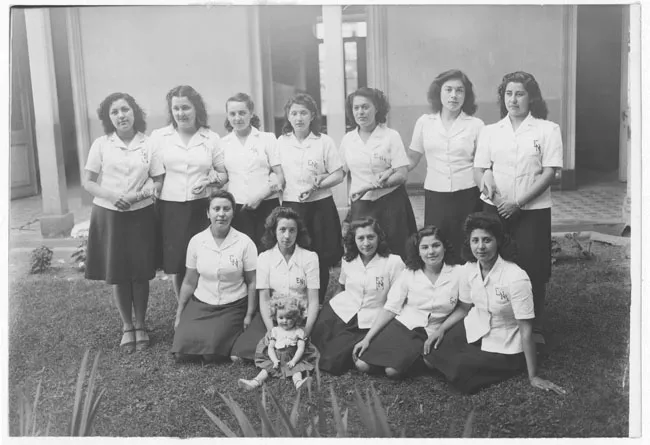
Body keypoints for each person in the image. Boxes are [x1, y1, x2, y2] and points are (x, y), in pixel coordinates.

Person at [423, 212, 566, 395]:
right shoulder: (469, 269)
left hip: (505, 339)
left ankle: (504, 364)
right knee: (429, 356)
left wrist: (533, 376)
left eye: (487, 240)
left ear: (498, 241)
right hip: (475, 327)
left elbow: (525, 329)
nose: (480, 247)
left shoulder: (516, 277)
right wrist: (441, 330)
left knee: (461, 373)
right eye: (475, 240)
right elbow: (464, 308)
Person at [473, 71, 563, 345]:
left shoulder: (547, 129)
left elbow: (550, 172)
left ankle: (534, 326)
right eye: (508, 94)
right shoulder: (490, 131)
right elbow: (479, 169)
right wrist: (495, 196)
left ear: (531, 97)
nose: (513, 99)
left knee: (532, 265)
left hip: (532, 210)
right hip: (495, 209)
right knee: (494, 261)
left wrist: (519, 203)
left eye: (520, 94)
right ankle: (498, 320)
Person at [84, 92, 164, 353]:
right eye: (115, 112)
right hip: (110, 214)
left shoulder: (149, 144)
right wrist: (112, 196)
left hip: (141, 213)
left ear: (134, 112)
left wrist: (136, 196)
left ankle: (141, 324)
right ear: (109, 118)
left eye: (125, 109)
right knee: (118, 272)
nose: (121, 116)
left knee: (140, 272)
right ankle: (127, 326)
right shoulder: (101, 144)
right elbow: (88, 182)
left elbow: (158, 180)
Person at [149, 85, 226, 301]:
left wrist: (210, 181)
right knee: (178, 262)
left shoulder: (210, 138)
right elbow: (150, 171)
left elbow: (223, 174)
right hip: (170, 207)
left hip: (200, 207)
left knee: (202, 260)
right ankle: (183, 307)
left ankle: (203, 303)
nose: (181, 113)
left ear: (196, 109)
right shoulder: (159, 137)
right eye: (176, 108)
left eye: (186, 107)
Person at [352, 226, 460, 379]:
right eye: (424, 247)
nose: (431, 252)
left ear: (445, 247)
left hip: (431, 330)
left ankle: (425, 360)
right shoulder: (409, 273)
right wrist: (367, 339)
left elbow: (464, 307)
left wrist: (442, 329)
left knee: (392, 372)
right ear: (418, 251)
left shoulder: (459, 273)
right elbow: (390, 308)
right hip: (403, 326)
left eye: (436, 245)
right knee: (362, 365)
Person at [171, 190, 257, 363]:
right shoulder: (196, 241)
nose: (221, 214)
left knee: (212, 355)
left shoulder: (245, 242)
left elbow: (252, 282)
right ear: (208, 213)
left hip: (232, 304)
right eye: (216, 209)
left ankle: (224, 339)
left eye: (226, 209)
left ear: (233, 213)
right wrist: (179, 313)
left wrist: (249, 315)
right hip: (202, 302)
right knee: (182, 352)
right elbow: (189, 282)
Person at [407, 69, 485, 262]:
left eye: (459, 90)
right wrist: (391, 172)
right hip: (436, 194)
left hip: (467, 193)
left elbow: (482, 164)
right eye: (448, 89)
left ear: (466, 95)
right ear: (438, 93)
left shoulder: (476, 125)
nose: (453, 95)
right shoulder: (425, 122)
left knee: (466, 245)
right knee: (437, 244)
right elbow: (412, 158)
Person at [311, 218, 404, 375]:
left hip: (371, 318)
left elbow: (397, 302)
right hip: (344, 311)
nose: (366, 243)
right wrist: (331, 309)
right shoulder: (348, 260)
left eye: (370, 237)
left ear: (379, 238)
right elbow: (341, 287)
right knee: (315, 344)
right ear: (353, 240)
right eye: (361, 238)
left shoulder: (393, 262)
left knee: (332, 359)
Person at [277, 93, 345, 303]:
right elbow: (275, 172)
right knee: (294, 253)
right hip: (291, 207)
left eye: (303, 113)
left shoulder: (324, 141)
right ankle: (296, 299)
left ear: (312, 115)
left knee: (319, 256)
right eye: (294, 113)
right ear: (288, 116)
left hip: (320, 206)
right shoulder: (281, 142)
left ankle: (318, 301)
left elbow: (338, 174)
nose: (299, 118)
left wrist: (318, 186)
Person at [231, 206, 320, 361]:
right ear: (274, 231)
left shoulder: (310, 257)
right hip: (274, 317)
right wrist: (272, 331)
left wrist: (306, 331)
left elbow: (313, 301)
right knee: (237, 356)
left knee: (304, 350)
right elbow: (264, 299)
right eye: (282, 230)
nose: (287, 236)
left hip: (301, 317)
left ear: (298, 232)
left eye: (292, 230)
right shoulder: (264, 258)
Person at [339, 87, 417, 258]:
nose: (360, 112)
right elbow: (340, 172)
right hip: (361, 205)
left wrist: (376, 185)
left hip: (391, 203)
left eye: (365, 107)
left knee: (395, 253)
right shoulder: (348, 139)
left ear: (377, 108)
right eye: (356, 108)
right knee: (364, 252)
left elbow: (402, 174)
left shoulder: (391, 136)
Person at [218, 93, 284, 248]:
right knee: (242, 252)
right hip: (238, 207)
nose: (237, 118)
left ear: (251, 113)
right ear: (227, 115)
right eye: (232, 114)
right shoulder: (222, 143)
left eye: (242, 113)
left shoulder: (267, 138)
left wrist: (259, 197)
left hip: (267, 204)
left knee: (267, 251)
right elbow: (223, 177)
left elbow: (280, 175)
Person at [238, 295, 315, 391]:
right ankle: (255, 382)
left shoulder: (298, 332)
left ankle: (299, 383)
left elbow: (300, 349)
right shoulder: (275, 331)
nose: (284, 321)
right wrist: (274, 360)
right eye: (281, 317)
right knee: (265, 370)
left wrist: (294, 361)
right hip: (276, 358)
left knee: (296, 371)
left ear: (296, 318)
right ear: (275, 316)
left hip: (292, 358)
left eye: (289, 318)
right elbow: (270, 347)